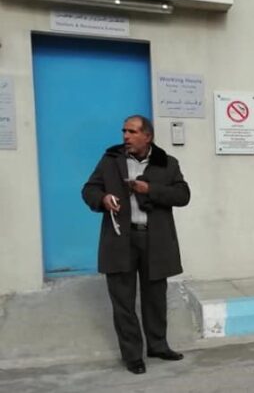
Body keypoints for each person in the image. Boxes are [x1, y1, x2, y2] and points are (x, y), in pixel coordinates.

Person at [81, 115, 190, 375]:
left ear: (147, 136)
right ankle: (132, 355)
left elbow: (183, 195)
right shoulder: (110, 160)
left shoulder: (167, 163)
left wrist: (149, 189)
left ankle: (158, 346)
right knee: (123, 301)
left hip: (155, 240)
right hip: (120, 239)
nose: (125, 136)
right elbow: (89, 190)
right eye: (124, 131)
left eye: (132, 132)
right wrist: (103, 198)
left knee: (155, 298)